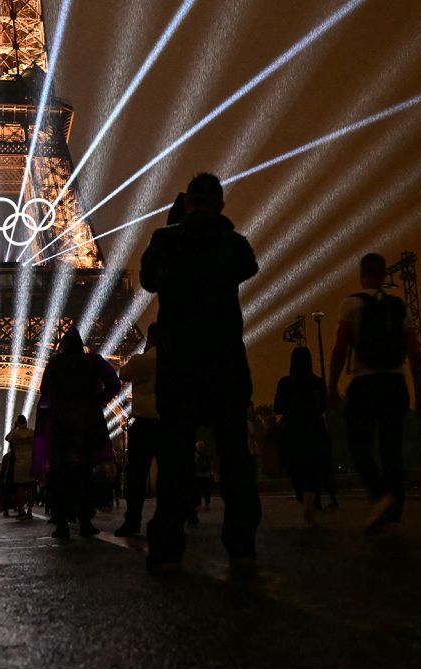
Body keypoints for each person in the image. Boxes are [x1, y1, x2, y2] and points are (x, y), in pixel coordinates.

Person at [140, 172, 261, 573]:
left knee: (175, 454)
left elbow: (146, 280)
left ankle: (168, 546)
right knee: (234, 452)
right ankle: (242, 544)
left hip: (179, 363)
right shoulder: (233, 244)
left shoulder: (166, 240)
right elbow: (248, 268)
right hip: (225, 359)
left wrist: (177, 225)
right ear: (221, 205)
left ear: (187, 203)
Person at [327, 252, 421, 534]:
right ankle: (394, 513)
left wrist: (332, 386)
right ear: (384, 276)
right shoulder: (399, 307)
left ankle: (381, 494)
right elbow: (415, 353)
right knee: (392, 447)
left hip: (365, 381)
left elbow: (340, 348)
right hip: (396, 383)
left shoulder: (351, 304)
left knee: (358, 444)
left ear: (362, 275)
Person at [34, 328, 119, 539]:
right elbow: (114, 383)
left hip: (62, 424)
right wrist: (98, 400)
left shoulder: (55, 363)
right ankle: (86, 522)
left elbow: (45, 393)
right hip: (88, 422)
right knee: (85, 473)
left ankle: (62, 523)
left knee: (61, 475)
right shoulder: (94, 361)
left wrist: (45, 422)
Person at [114, 323, 161, 538]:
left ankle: (132, 521)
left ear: (149, 338)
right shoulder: (177, 361)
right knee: (172, 472)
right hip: (168, 423)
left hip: (144, 423)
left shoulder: (142, 360)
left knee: (136, 476)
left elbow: (123, 374)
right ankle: (180, 514)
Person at [274, 346, 328, 524]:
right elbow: (324, 406)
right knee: (313, 466)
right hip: (314, 428)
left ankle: (302, 495)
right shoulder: (318, 383)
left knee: (294, 467)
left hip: (292, 430)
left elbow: (278, 407)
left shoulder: (285, 383)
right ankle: (312, 495)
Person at [5, 414, 36, 520]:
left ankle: (22, 510)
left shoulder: (15, 433)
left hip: (19, 464)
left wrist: (14, 427)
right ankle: (30, 511)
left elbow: (7, 438)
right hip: (30, 462)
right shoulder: (31, 432)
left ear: (17, 422)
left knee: (20, 488)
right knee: (31, 488)